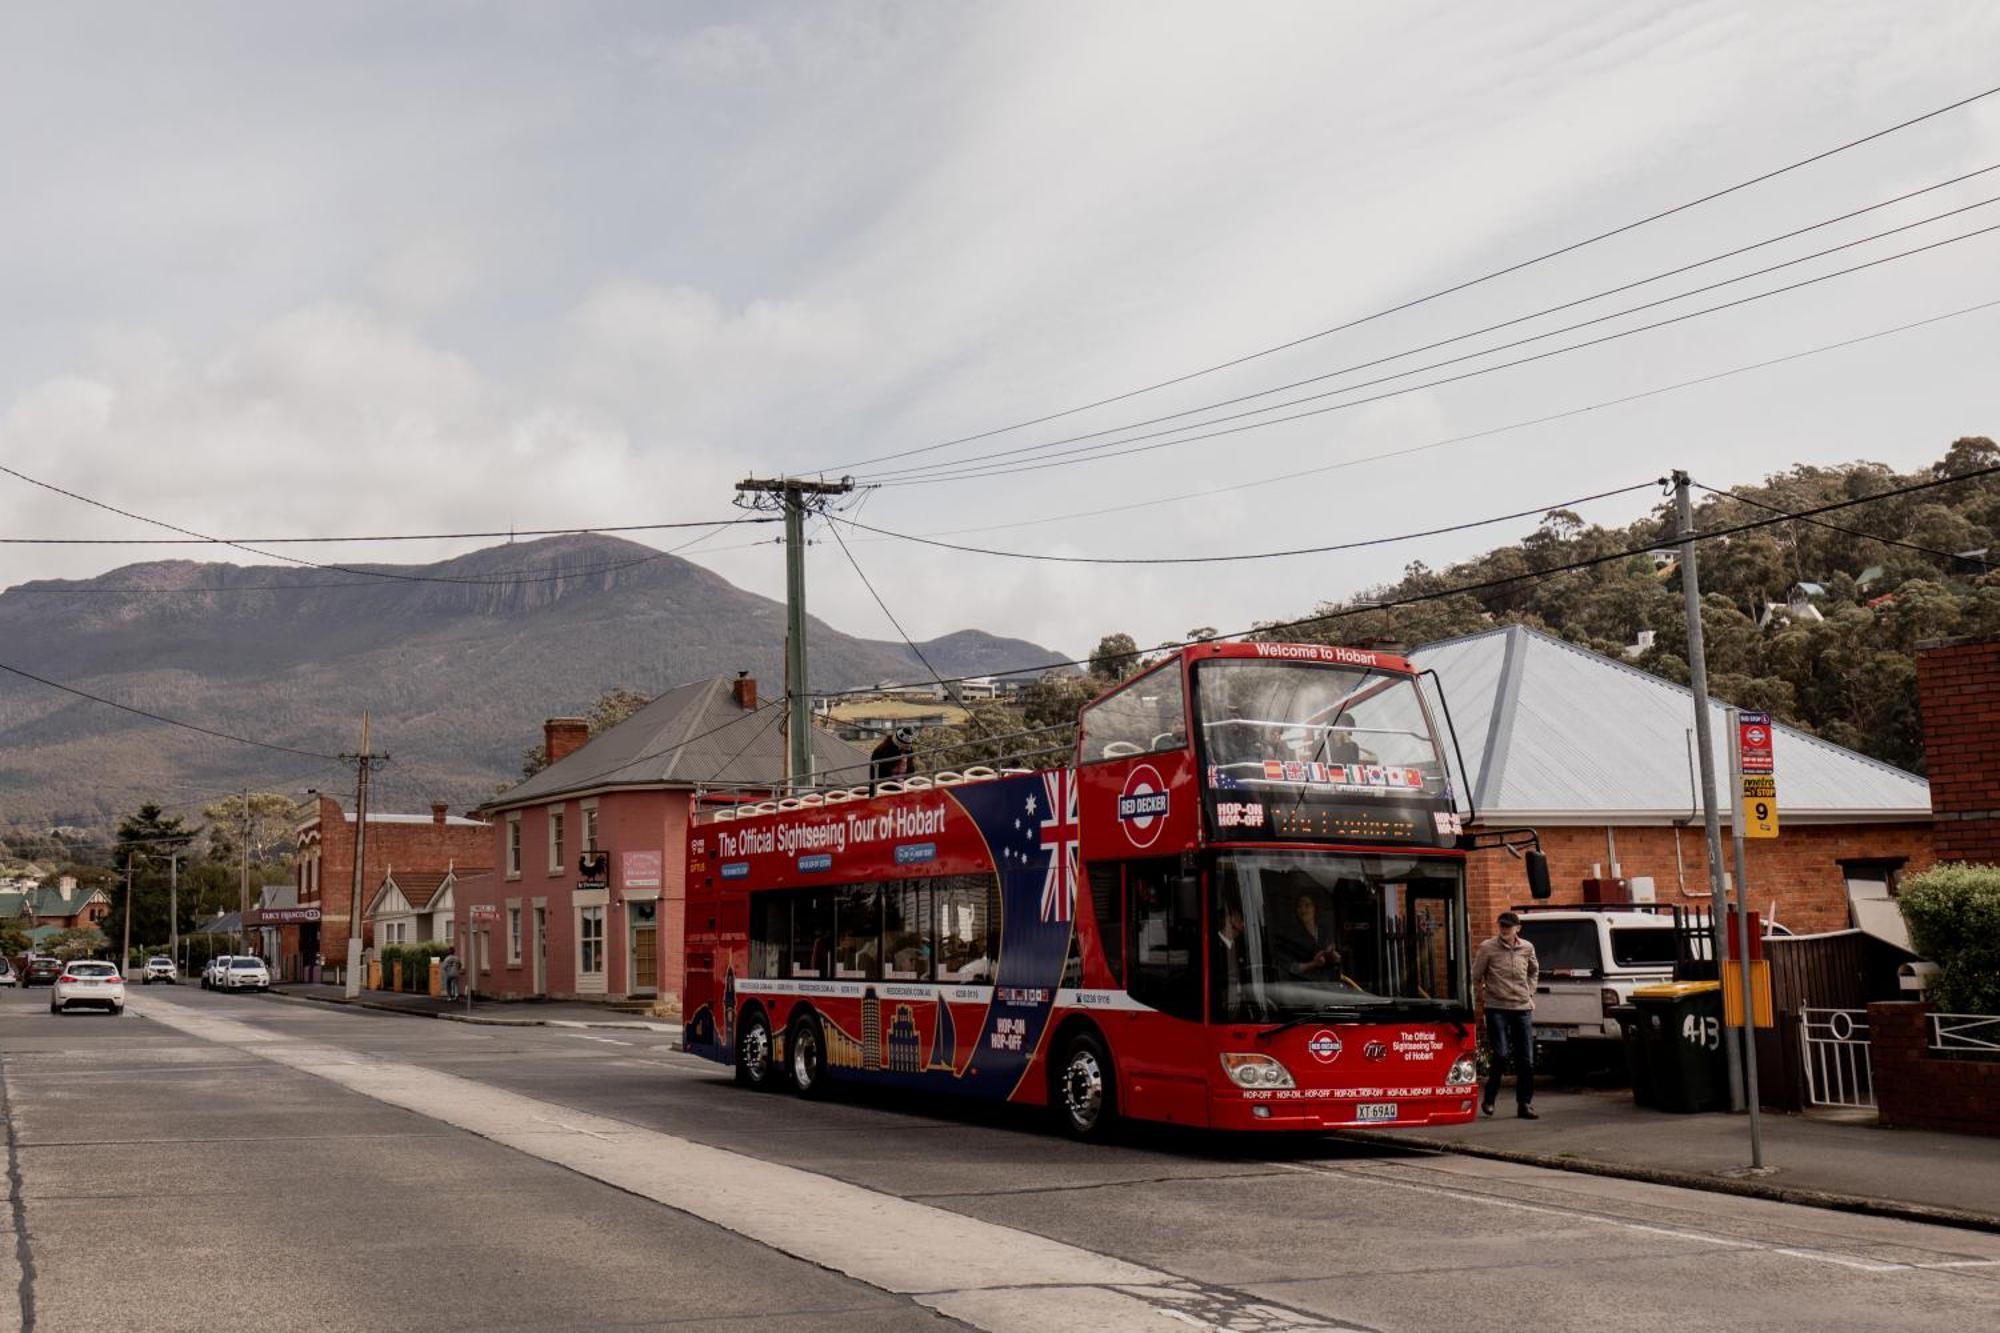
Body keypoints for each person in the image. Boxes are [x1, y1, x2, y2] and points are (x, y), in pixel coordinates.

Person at [1471, 911, 1540, 1119]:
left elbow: (1534, 970)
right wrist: (1481, 996)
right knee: (1500, 1054)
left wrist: (1530, 991)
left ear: (1517, 928)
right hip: (1497, 1007)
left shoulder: (1527, 948)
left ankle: (1525, 1103)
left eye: (1508, 926)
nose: (1504, 929)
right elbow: (1475, 975)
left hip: (1521, 1007)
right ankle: (1490, 1098)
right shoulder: (1487, 948)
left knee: (1526, 1059)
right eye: (1502, 925)